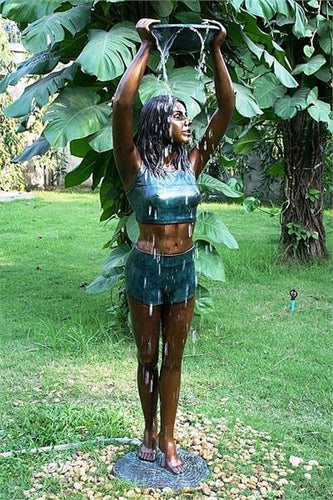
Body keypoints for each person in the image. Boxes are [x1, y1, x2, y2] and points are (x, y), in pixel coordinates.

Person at [112, 18, 234, 475]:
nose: (188, 120)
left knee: (174, 358)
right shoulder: (135, 168)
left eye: (186, 114)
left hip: (182, 269)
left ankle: (168, 439)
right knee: (147, 356)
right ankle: (147, 428)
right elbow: (122, 105)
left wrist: (217, 48)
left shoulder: (192, 162)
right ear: (160, 121)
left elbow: (226, 107)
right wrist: (146, 46)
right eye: (179, 115)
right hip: (146, 268)